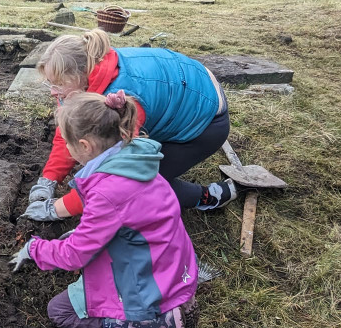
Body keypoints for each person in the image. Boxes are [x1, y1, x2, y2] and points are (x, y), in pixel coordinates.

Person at [11, 91, 198, 328]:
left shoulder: (107, 192)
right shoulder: (136, 159)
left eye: (66, 143)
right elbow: (119, 223)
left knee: (59, 312)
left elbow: (75, 255)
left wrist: (34, 249)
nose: (66, 149)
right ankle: (179, 304)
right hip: (175, 266)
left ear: (84, 146)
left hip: (149, 280)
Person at [25, 29, 234, 221]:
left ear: (80, 75)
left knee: (140, 188)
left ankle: (209, 196)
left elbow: (115, 177)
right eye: (50, 83)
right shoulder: (88, 72)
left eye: (58, 84)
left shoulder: (120, 100)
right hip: (186, 84)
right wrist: (49, 179)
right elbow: (70, 130)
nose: (53, 91)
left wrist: (58, 208)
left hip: (207, 119)